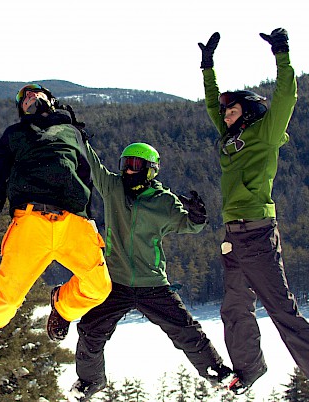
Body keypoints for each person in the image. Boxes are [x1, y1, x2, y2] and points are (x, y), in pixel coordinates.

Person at [199, 29, 309, 402]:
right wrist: (207, 66)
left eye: (233, 110)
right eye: (226, 111)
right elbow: (212, 103)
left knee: (281, 310)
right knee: (234, 308)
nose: (226, 114)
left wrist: (282, 53)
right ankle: (249, 369)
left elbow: (287, 95)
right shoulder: (229, 139)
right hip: (233, 236)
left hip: (259, 233)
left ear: (248, 113)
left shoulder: (265, 133)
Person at [67, 141, 233, 401]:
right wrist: (79, 134)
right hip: (116, 283)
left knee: (184, 329)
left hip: (152, 284)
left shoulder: (163, 201)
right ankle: (91, 381)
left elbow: (188, 225)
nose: (128, 171)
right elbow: (92, 163)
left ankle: (215, 371)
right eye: (125, 165)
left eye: (135, 165)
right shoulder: (113, 188)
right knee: (90, 330)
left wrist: (198, 218)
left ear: (150, 170)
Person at [0, 84, 112, 352]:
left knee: (99, 288)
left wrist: (90, 220)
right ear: (20, 110)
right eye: (23, 98)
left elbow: (85, 178)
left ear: (51, 100)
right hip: (31, 221)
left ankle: (63, 305)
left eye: (36, 93)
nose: (30, 97)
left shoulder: (72, 133)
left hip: (74, 222)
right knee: (8, 299)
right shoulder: (15, 134)